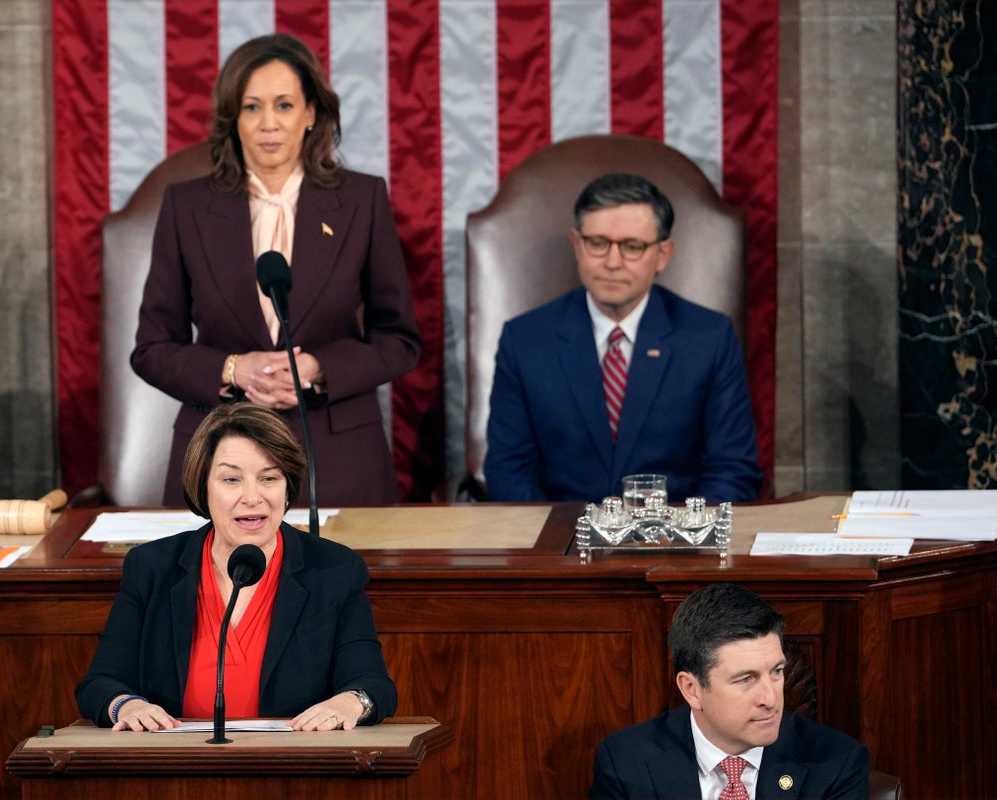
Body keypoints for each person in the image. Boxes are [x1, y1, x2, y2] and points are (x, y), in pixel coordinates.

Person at [131, 33, 421, 507]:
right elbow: (152, 349)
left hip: (338, 456)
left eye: (284, 105)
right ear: (234, 119)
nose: (269, 124)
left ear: (311, 114)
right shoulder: (186, 208)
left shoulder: (361, 202)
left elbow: (399, 340)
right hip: (218, 453)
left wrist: (317, 367)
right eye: (252, 107)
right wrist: (232, 369)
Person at [76, 402, 397, 731]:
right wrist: (125, 705)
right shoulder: (152, 568)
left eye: (269, 478)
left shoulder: (335, 570)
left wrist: (352, 701)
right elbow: (100, 683)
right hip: (174, 765)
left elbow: (373, 685)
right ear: (204, 486)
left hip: (292, 767)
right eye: (231, 479)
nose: (252, 496)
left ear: (287, 488)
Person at [484, 173, 761, 504]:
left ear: (662, 254)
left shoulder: (708, 338)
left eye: (632, 247)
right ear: (576, 243)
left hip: (674, 544)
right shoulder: (525, 340)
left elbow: (732, 470)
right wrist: (558, 544)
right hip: (561, 545)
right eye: (598, 243)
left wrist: (679, 540)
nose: (612, 262)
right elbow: (508, 470)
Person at [589, 583, 869, 799]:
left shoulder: (837, 764)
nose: (770, 700)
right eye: (746, 679)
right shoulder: (625, 763)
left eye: (776, 672)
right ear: (692, 689)